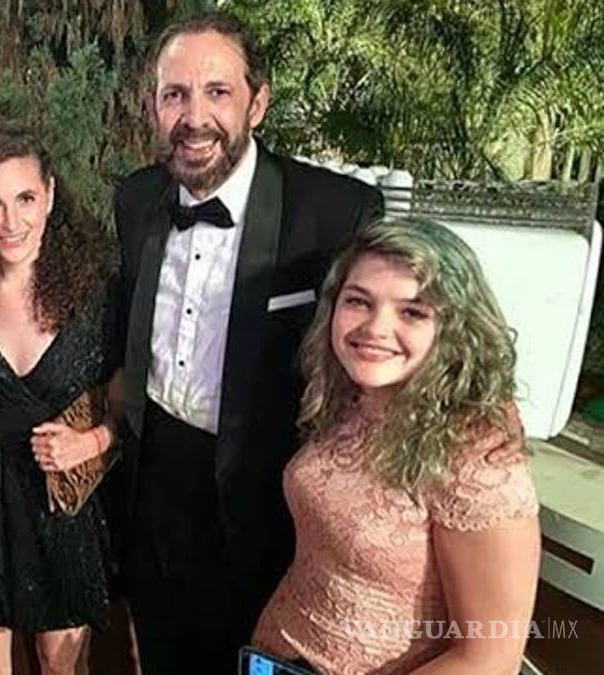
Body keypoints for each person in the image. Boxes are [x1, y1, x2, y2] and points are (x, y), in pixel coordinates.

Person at [112, 12, 385, 671]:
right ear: (153, 106)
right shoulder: (137, 199)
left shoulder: (334, 213)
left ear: (257, 103)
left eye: (217, 92)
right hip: (154, 491)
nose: (193, 117)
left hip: (267, 506)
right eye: (175, 94)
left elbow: (389, 343)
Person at [252, 218, 540, 674]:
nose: (376, 328)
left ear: (455, 327)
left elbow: (489, 657)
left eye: (413, 312)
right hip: (274, 655)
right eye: (358, 301)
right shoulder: (347, 396)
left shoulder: (478, 461)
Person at [0, 122, 118, 675]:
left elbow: (135, 398)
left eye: (25, 199)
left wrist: (93, 442)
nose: (11, 222)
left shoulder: (98, 291)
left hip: (61, 509)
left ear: (51, 195)